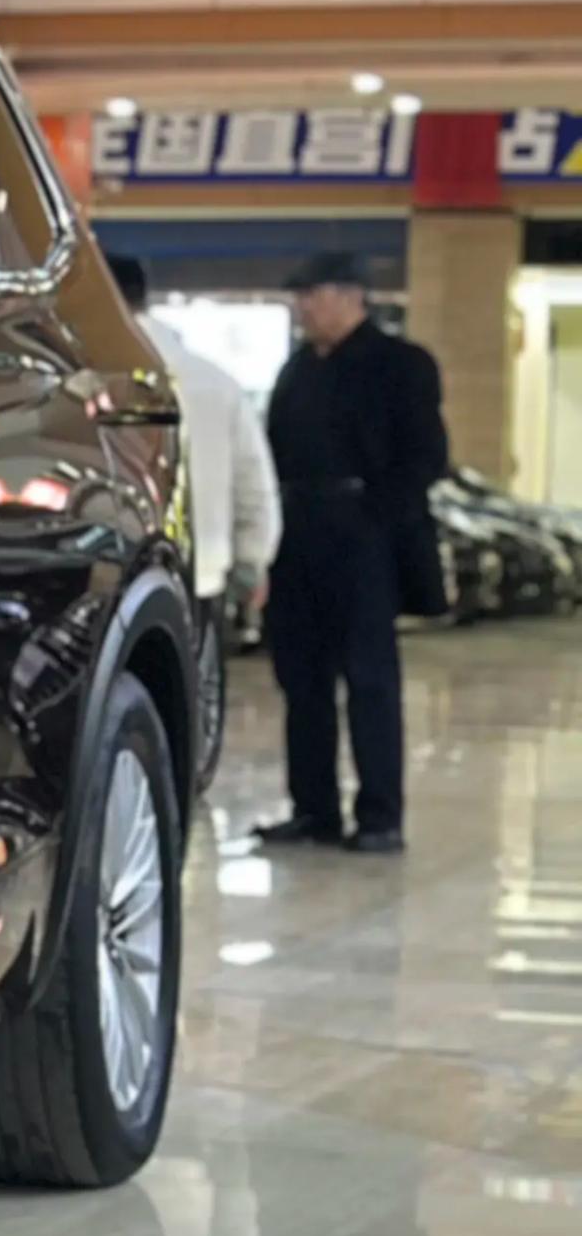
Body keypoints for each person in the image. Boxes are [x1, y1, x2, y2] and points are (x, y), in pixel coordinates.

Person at [257, 251, 446, 853]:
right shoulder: (297, 370)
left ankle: (379, 816)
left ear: (350, 296)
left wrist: (375, 518)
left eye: (311, 296)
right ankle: (313, 809)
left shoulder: (401, 364)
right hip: (297, 540)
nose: (303, 308)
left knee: (369, 680)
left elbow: (425, 457)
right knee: (302, 680)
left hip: (364, 541)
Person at [112, 253, 278, 625]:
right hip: (203, 575)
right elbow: (253, 483)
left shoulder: (81, 382)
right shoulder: (216, 382)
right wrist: (251, 563)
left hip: (109, 583)